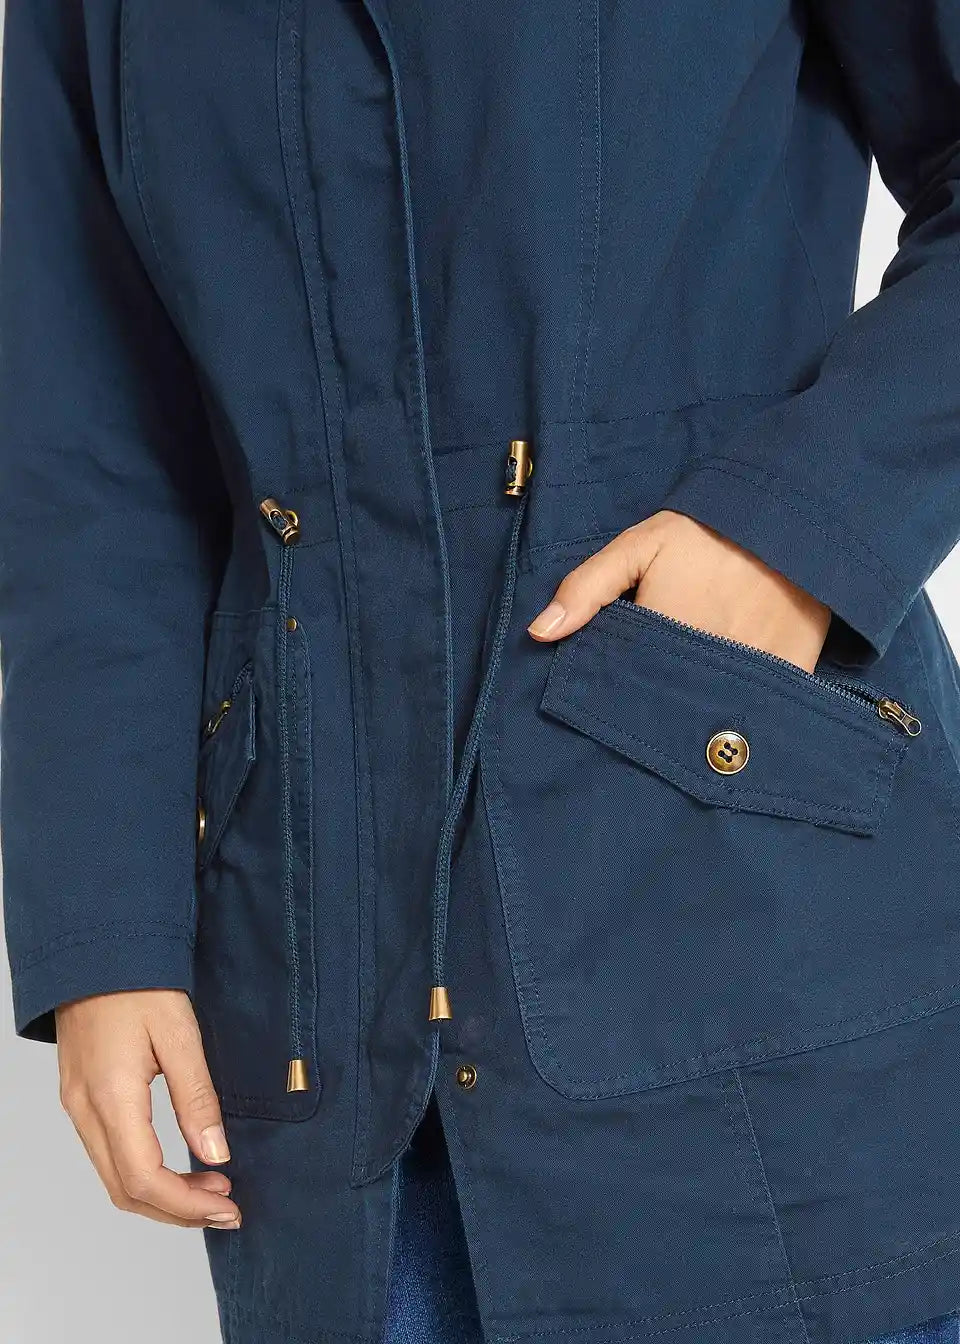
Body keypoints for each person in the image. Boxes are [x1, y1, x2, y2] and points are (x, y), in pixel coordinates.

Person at [2, 1, 960, 1342]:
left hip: (743, 906)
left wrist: (795, 530)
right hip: (321, 1012)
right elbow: (90, 444)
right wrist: (103, 929)